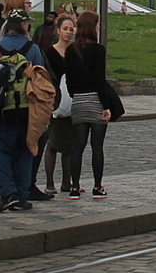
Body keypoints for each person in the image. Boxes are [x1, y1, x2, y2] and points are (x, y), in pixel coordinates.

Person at [0, 9, 46, 213]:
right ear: (23, 26)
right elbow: (42, 79)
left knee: (1, 151)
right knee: (25, 150)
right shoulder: (33, 49)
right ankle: (21, 196)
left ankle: (7, 193)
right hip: (27, 109)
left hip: (2, 109)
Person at [65, 11, 111, 200]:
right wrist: (106, 105)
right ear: (92, 26)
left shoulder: (70, 50)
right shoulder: (98, 50)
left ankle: (74, 186)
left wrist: (75, 96)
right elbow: (100, 80)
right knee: (97, 146)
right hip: (95, 99)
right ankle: (97, 186)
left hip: (78, 100)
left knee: (78, 145)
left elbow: (68, 80)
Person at [43, 15, 76, 195]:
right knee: (53, 142)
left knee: (69, 144)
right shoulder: (49, 53)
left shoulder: (74, 52)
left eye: (71, 29)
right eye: (65, 28)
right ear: (58, 30)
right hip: (54, 102)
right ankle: (49, 183)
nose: (68, 32)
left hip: (71, 102)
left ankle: (66, 182)